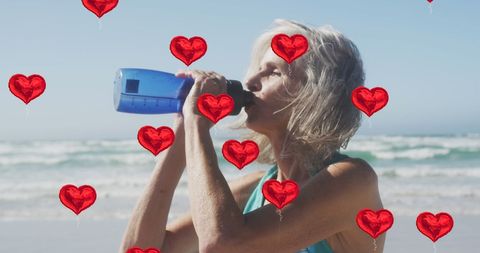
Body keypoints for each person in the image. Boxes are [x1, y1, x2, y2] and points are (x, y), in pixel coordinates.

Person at [120, 19, 384, 253]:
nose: (250, 81)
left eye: (273, 71)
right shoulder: (255, 189)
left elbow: (222, 243)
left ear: (315, 94)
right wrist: (182, 132)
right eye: (257, 68)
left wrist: (197, 126)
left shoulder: (352, 180)